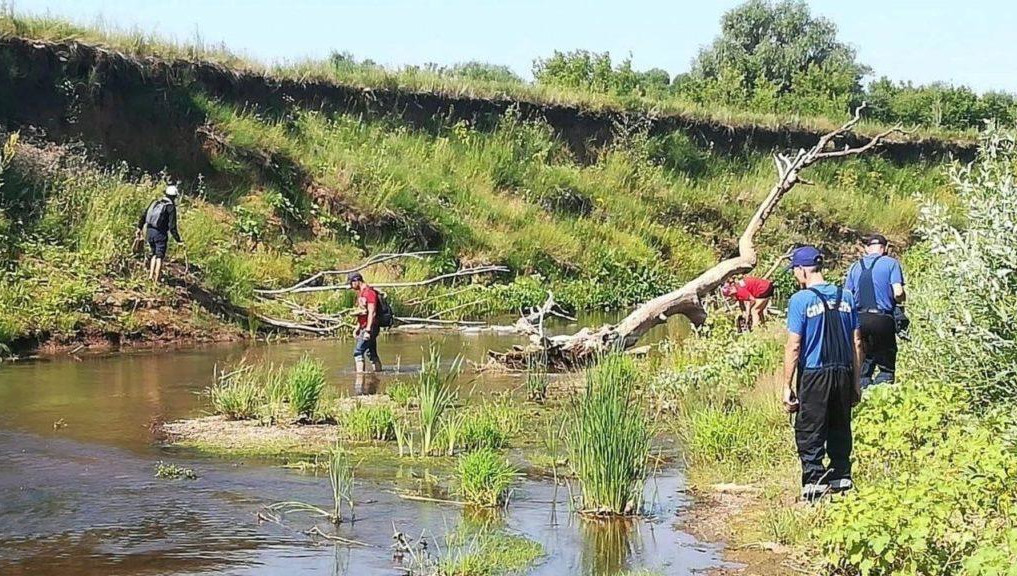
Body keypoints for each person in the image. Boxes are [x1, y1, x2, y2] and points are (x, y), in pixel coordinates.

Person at [783, 246, 864, 502]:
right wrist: (856, 382)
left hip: (815, 373)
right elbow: (857, 342)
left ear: (802, 270)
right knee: (840, 425)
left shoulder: (800, 300)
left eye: (795, 271)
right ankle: (841, 478)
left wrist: (787, 385)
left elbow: (794, 345)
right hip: (843, 371)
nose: (795, 275)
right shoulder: (847, 297)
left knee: (810, 428)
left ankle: (814, 484)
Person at [844, 234, 906, 388]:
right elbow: (898, 292)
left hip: (860, 319)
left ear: (867, 249)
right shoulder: (891, 263)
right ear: (885, 248)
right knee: (886, 366)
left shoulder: (855, 266)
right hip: (882, 320)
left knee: (864, 364)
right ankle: (883, 392)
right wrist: (901, 299)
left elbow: (847, 295)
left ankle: (863, 392)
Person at [136, 185, 183, 283]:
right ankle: (156, 280)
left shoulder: (155, 202)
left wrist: (139, 228)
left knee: (154, 254)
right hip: (160, 233)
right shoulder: (170, 207)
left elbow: (144, 215)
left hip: (149, 231)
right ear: (174, 197)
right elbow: (172, 227)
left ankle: (150, 276)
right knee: (160, 256)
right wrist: (178, 240)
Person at [349, 272, 383, 373]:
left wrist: (367, 330)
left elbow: (372, 312)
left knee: (358, 352)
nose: (351, 286)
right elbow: (364, 312)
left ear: (356, 281)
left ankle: (360, 377)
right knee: (371, 353)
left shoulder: (369, 293)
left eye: (351, 283)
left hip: (370, 327)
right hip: (365, 326)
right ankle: (378, 374)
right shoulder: (362, 293)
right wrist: (358, 327)